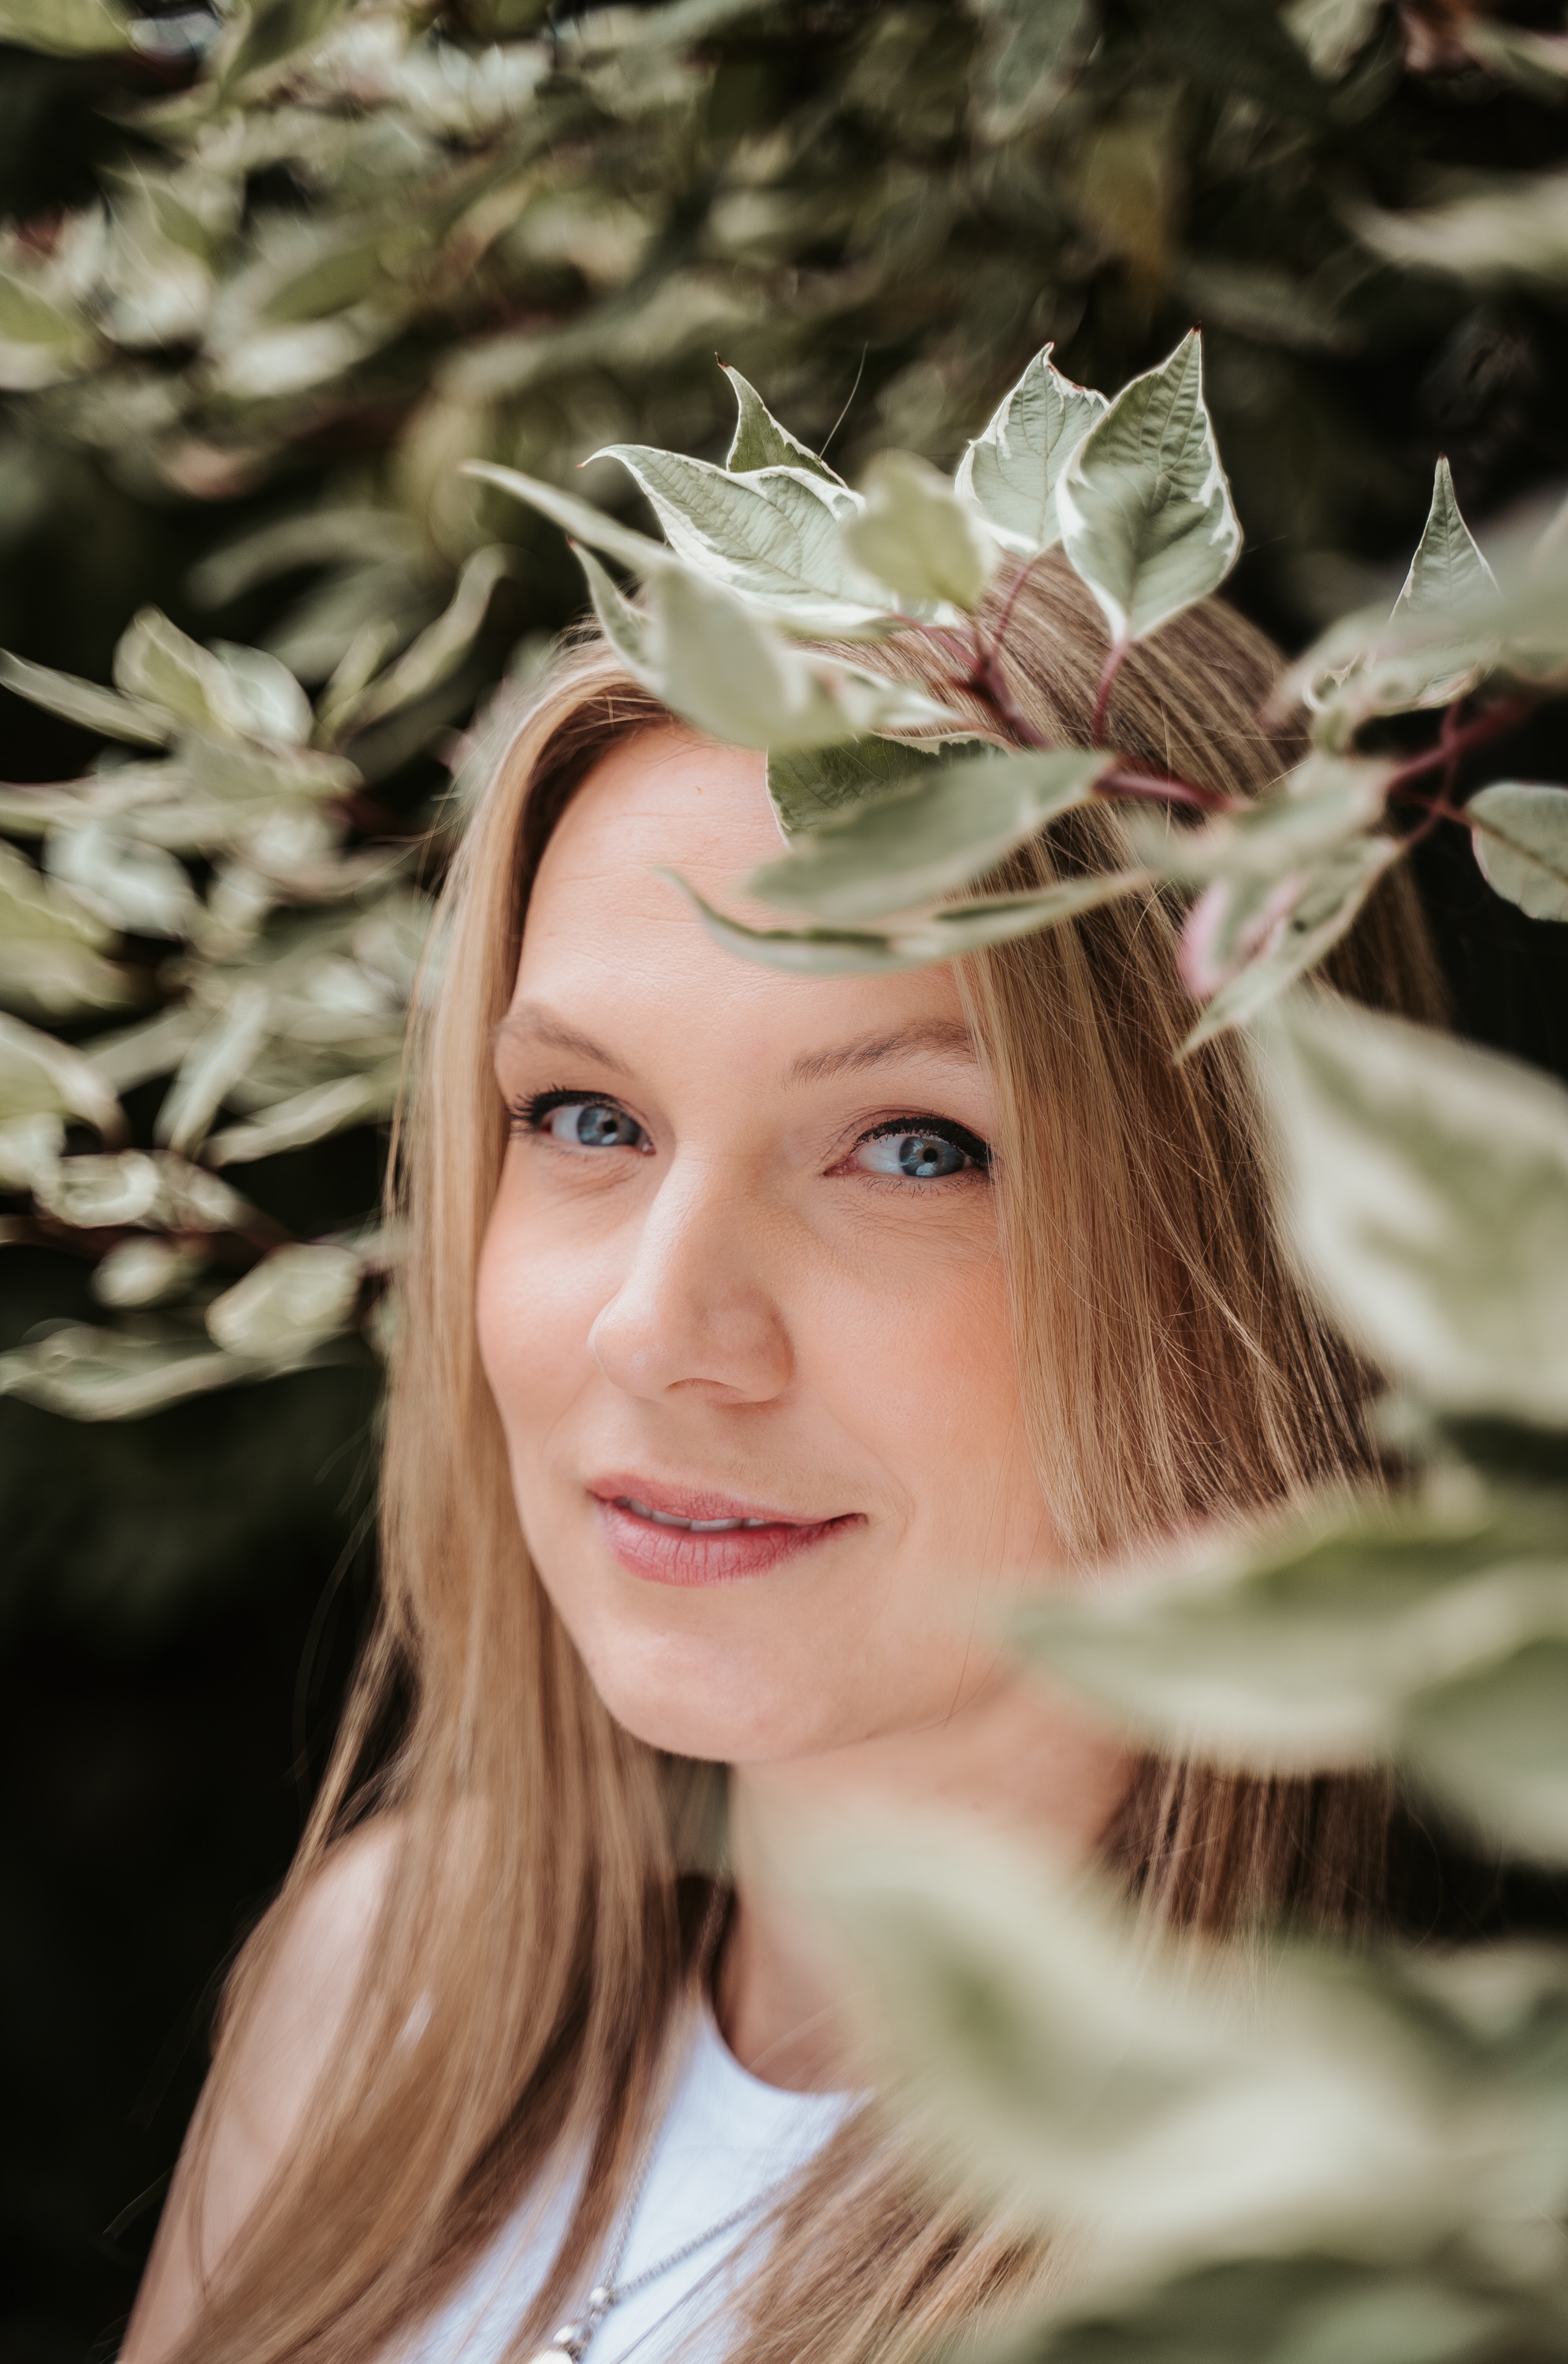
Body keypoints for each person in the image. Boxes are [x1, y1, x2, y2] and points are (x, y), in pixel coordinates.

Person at [122, 551, 1445, 2364]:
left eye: (912, 1148)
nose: (655, 1330)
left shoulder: (1317, 2270)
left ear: (1259, 1240)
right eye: (586, 1117)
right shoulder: (392, 1989)